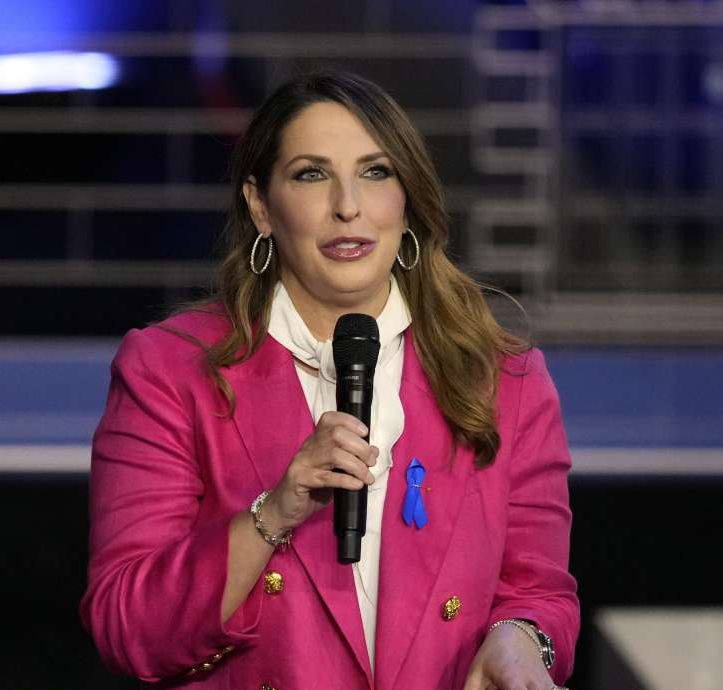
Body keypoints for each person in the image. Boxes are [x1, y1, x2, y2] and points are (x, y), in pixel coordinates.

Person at [80, 69, 578, 690]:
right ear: (261, 205)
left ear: (408, 200)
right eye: (312, 174)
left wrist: (522, 637)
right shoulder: (168, 372)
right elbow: (130, 630)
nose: (348, 205)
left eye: (376, 172)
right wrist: (276, 510)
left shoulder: (505, 379)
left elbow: (539, 592)